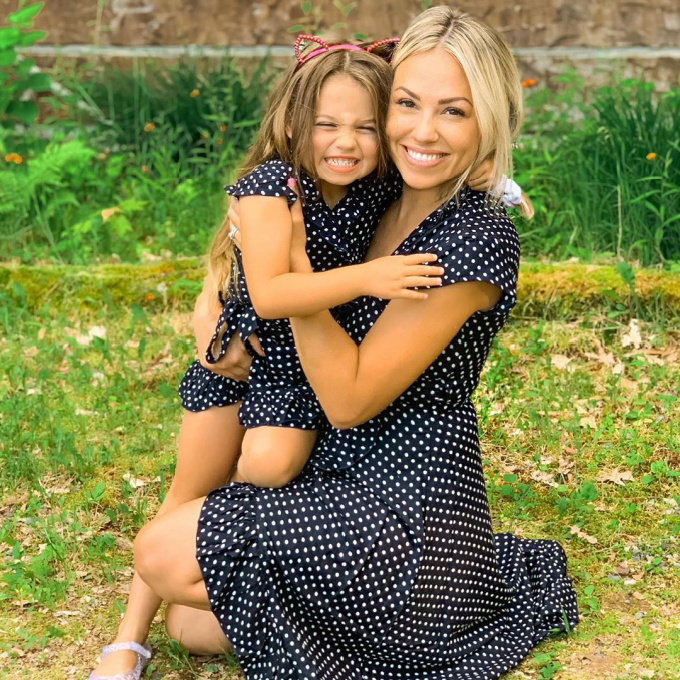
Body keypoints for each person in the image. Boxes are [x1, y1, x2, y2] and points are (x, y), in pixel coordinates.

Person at [88, 34, 514, 680]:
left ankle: (402, 624)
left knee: (164, 552)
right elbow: (250, 241)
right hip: (330, 468)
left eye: (455, 111)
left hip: (405, 502)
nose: (423, 130)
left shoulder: (472, 239)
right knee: (192, 623)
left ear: (490, 117)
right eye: (407, 105)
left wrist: (290, 275)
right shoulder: (379, 187)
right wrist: (219, 297)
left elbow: (346, 401)